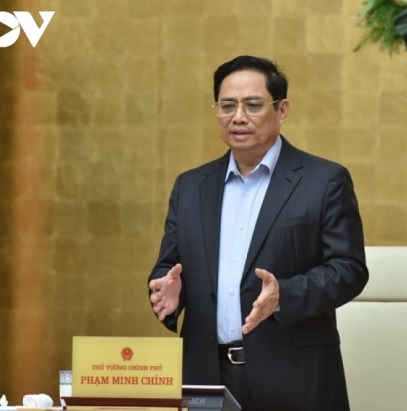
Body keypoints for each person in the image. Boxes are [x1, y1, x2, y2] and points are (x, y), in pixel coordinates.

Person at [148, 55, 368, 411]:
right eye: (227, 106)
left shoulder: (324, 181)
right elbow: (168, 267)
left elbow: (349, 269)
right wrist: (172, 291)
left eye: (252, 105)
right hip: (206, 378)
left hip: (294, 379)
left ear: (282, 110)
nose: (238, 117)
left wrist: (284, 295)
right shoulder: (190, 187)